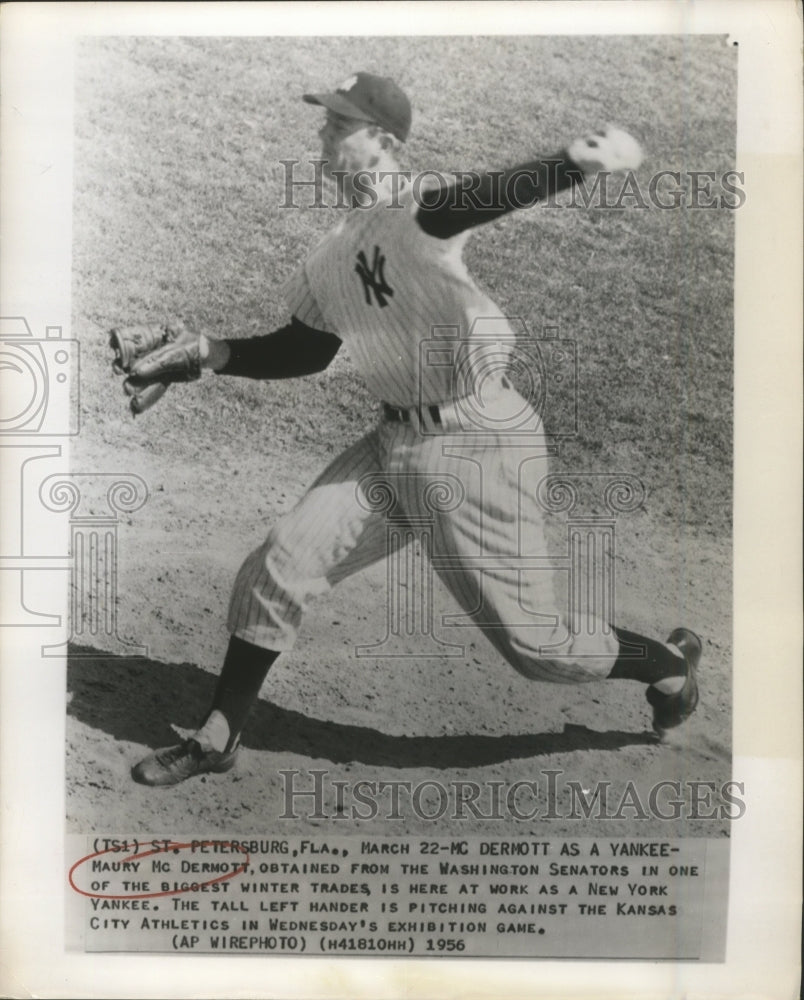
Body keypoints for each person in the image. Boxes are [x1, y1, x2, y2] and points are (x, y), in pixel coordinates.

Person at [124, 72, 700, 787]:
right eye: (325, 125)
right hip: (393, 445)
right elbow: (306, 351)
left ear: (385, 142)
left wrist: (566, 165)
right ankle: (218, 733)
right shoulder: (330, 255)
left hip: (477, 445)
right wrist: (211, 354)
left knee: (537, 647)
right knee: (279, 564)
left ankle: (668, 665)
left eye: (340, 126)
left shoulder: (416, 211)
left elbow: (473, 202)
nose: (323, 138)